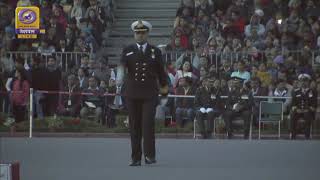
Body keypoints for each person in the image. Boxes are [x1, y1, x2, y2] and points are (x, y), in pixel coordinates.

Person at [116, 20, 168, 166]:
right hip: (132, 93)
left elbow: (161, 74)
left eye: (143, 33)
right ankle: (136, 157)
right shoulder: (128, 50)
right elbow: (121, 66)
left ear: (147, 34)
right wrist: (119, 76)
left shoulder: (155, 51)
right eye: (137, 33)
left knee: (148, 125)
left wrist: (164, 93)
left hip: (149, 93)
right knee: (134, 126)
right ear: (134, 34)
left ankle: (150, 155)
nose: (140, 35)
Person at [290, 74, 318, 139]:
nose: (303, 83)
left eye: (305, 81)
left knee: (307, 114)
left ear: (308, 82)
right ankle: (293, 134)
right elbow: (293, 104)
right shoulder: (296, 91)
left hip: (308, 111)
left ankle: (307, 135)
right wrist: (296, 109)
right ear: (299, 82)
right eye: (301, 81)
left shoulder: (313, 92)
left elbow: (314, 104)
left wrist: (307, 109)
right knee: (293, 114)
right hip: (298, 111)